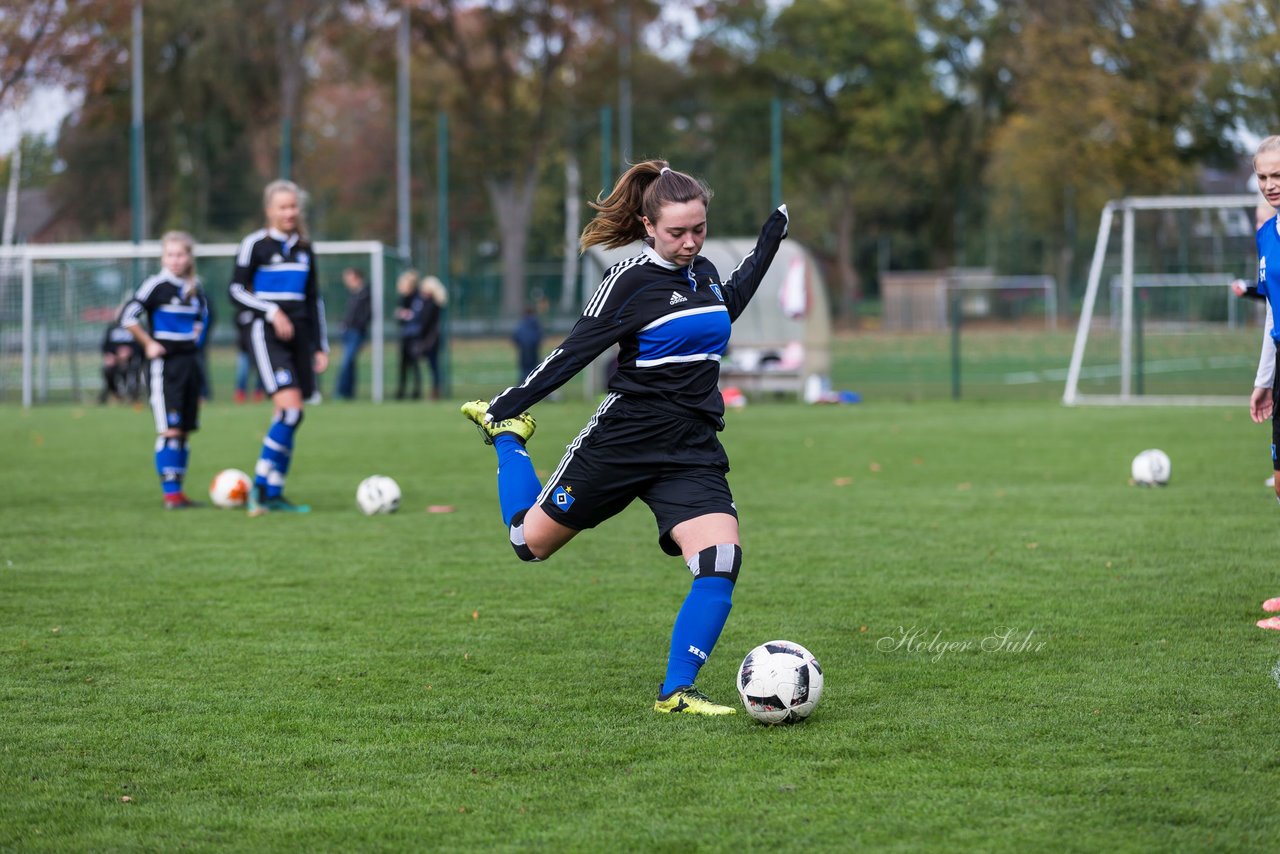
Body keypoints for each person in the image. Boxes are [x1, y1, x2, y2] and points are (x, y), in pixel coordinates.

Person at [460, 160, 789, 715]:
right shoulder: (629, 281)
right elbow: (575, 351)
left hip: (691, 449)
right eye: (677, 232)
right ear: (647, 225)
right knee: (528, 544)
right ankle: (508, 439)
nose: (689, 242)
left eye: (698, 230)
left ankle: (676, 692)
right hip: (624, 440)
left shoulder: (703, 271)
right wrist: (509, 405)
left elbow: (725, 304)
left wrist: (767, 247)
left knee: (721, 559)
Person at [229, 179, 329, 514]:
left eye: (293, 206)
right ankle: (259, 488)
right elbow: (235, 290)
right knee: (290, 411)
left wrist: (320, 346)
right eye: (282, 207)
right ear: (269, 210)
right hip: (265, 334)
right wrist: (272, 311)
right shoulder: (254, 245)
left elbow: (314, 301)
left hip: (301, 337)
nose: (289, 212)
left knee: (291, 416)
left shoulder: (304, 247)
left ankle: (273, 492)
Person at [119, 231, 209, 509]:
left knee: (183, 430)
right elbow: (127, 316)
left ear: (189, 257)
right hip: (165, 366)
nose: (175, 260)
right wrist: (148, 343)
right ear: (163, 257)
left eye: (180, 254)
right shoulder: (155, 285)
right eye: (170, 254)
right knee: (169, 430)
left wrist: (197, 335)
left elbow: (203, 320)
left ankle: (179, 493)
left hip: (189, 365)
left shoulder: (195, 289)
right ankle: (170, 495)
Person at [1232, 198, 1275, 486]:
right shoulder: (1266, 239)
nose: (1258, 225)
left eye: (1262, 219)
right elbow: (1272, 303)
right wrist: (1265, 379)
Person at [335, 267, 372, 400]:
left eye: (348, 278)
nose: (346, 282)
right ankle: (348, 393)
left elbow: (366, 315)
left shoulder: (366, 293)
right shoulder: (354, 294)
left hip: (356, 332)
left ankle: (340, 393)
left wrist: (356, 326)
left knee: (347, 362)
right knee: (349, 363)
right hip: (348, 331)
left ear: (356, 277)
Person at [99, 309, 144, 404]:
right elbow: (105, 346)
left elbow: (141, 345)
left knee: (128, 370)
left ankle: (132, 395)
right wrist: (110, 355)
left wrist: (130, 352)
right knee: (107, 370)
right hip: (115, 359)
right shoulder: (111, 328)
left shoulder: (134, 327)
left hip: (131, 360)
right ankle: (116, 394)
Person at [416, 275, 447, 400]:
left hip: (430, 339)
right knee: (433, 365)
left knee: (433, 365)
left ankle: (435, 391)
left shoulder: (431, 303)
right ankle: (435, 389)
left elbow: (425, 321)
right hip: (431, 338)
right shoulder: (435, 303)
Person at [394, 269, 423, 399]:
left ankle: (416, 391)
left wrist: (406, 314)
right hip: (406, 336)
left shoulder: (418, 298)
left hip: (415, 336)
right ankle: (401, 391)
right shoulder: (403, 299)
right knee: (403, 365)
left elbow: (416, 315)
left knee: (415, 365)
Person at [512, 304, 543, 383]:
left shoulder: (521, 324)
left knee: (524, 371)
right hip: (533, 350)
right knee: (535, 371)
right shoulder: (535, 323)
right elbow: (539, 338)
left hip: (523, 350)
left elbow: (515, 338)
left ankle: (520, 389)